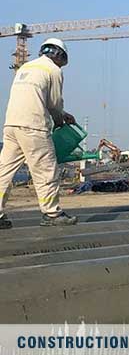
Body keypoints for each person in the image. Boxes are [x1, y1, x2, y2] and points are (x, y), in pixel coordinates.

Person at [0, 38, 79, 228]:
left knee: (4, 172)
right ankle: (52, 213)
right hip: (33, 127)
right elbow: (55, 103)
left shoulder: (25, 68)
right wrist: (59, 121)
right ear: (59, 55)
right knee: (46, 170)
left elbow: (35, 97)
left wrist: (62, 115)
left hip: (11, 125)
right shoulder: (53, 70)